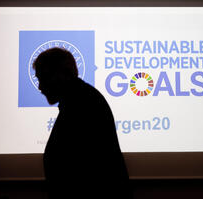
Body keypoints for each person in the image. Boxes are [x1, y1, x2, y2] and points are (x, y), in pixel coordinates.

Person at [33, 47, 132, 199]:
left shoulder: (82, 104)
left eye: (44, 78)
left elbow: (82, 169)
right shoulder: (81, 99)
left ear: (63, 74)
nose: (40, 87)